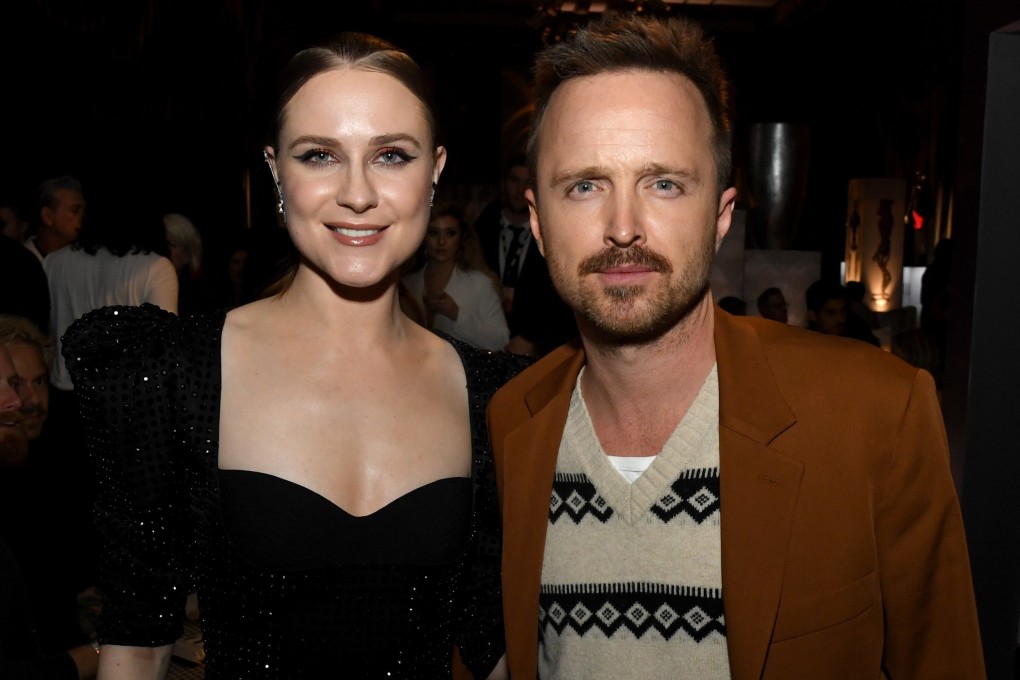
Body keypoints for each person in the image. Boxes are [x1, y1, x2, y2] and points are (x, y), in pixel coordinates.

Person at [487, 14, 984, 679]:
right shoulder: (511, 420)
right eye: (585, 185)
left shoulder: (875, 416)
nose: (623, 227)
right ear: (540, 224)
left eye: (664, 183)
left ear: (721, 216)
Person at [62, 31, 522, 679]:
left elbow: (497, 653)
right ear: (277, 173)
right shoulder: (175, 372)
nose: (357, 193)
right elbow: (138, 647)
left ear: (436, 171)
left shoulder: (493, 396)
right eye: (320, 156)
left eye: (391, 155)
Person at [0, 342, 99, 680]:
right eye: (13, 384)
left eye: (38, 381)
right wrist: (104, 652)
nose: (24, 400)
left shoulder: (59, 465)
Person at [475, 155, 577, 356]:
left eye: (527, 182)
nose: (520, 189)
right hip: (483, 338)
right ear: (503, 183)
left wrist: (533, 338)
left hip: (535, 347)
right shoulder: (481, 227)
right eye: (514, 180)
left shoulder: (553, 233)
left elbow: (563, 295)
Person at [402, 203, 510, 351]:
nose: (441, 242)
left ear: (461, 238)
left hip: (465, 371)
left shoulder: (480, 283)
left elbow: (501, 340)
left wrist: (456, 313)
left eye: (450, 233)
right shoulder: (406, 284)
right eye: (433, 232)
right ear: (422, 236)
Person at [164, 212, 217, 316]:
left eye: (171, 245)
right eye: (161, 244)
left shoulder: (199, 296)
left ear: (189, 253)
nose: (164, 251)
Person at [24, 176, 86, 263]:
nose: (83, 217)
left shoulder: (83, 259)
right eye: (75, 211)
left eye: (84, 212)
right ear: (47, 216)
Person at [805, 278, 880, 346]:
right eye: (831, 313)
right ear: (813, 316)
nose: (840, 318)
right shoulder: (804, 343)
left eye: (843, 311)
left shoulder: (858, 333)